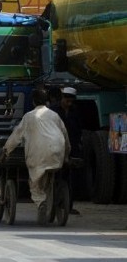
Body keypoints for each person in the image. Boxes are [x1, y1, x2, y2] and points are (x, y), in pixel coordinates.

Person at [2, 89, 70, 225]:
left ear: (33, 101)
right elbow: (65, 135)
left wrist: (6, 151)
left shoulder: (29, 116)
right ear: (47, 101)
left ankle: (40, 202)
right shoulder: (54, 115)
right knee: (49, 175)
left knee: (35, 182)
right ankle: (48, 202)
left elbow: (16, 136)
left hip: (38, 154)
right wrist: (66, 155)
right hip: (57, 153)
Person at [50, 87, 82, 215]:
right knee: (55, 176)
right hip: (55, 147)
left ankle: (68, 205)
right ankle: (53, 203)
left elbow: (78, 128)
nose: (68, 104)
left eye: (70, 101)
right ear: (62, 98)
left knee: (70, 178)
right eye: (66, 100)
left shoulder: (75, 111)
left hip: (71, 147)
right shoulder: (53, 110)